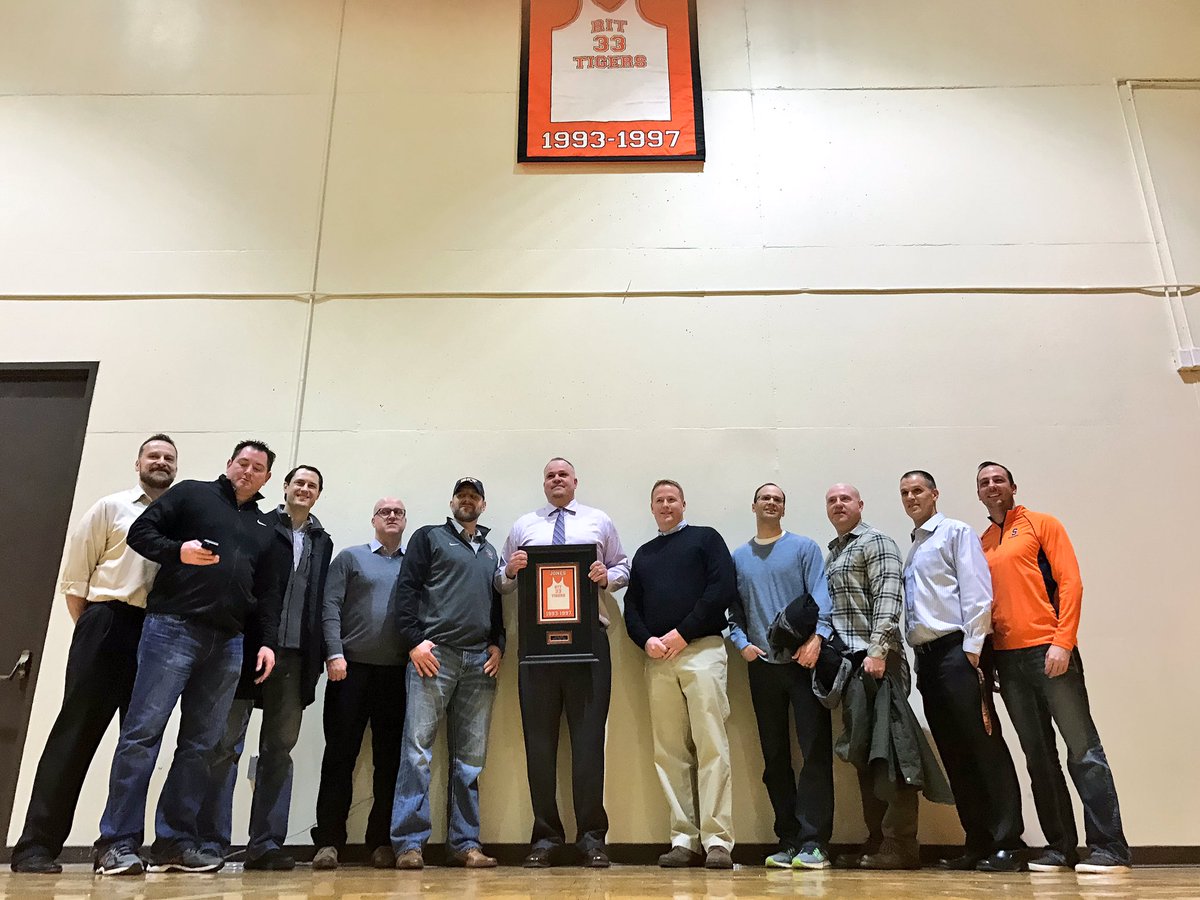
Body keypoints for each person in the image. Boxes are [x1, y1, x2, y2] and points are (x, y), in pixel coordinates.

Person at [92, 440, 280, 876]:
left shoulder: (265, 527)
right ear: (229, 465)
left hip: (229, 643)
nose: (247, 472)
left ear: (267, 479)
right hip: (171, 629)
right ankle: (116, 843)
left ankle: (175, 843)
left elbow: (269, 593)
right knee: (141, 735)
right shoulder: (193, 493)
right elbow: (141, 533)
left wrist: (266, 641)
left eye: (257, 468)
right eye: (242, 463)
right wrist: (179, 551)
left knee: (200, 746)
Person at [10, 435, 179, 874]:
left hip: (158, 633)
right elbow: (75, 581)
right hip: (105, 623)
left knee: (137, 744)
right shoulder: (110, 507)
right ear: (137, 462)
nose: (160, 462)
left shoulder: (181, 518)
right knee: (75, 735)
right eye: (153, 455)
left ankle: (118, 846)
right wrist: (95, 627)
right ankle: (36, 846)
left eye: (168, 457)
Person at [976, 461, 1131, 874]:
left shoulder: (1042, 524)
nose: (992, 487)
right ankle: (1060, 847)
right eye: (984, 483)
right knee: (1038, 757)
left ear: (1013, 486)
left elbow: (1071, 583)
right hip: (1008, 663)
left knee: (1083, 751)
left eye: (998, 480)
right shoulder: (984, 541)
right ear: (978, 494)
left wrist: (1062, 642)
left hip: (1050, 652)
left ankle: (1110, 848)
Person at [495, 457, 629, 868]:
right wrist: (512, 571)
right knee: (539, 744)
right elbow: (499, 580)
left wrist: (607, 575)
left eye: (563, 475)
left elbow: (624, 566)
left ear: (575, 482)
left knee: (589, 744)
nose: (557, 480)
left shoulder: (599, 521)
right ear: (544, 483)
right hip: (536, 650)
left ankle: (592, 838)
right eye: (550, 475)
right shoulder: (524, 526)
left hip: (590, 645)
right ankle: (546, 838)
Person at [200, 465, 333, 869]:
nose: (305, 489)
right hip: (247, 650)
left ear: (318, 494)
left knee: (279, 750)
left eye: (312, 486)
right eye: (299, 483)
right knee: (224, 746)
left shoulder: (322, 541)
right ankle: (210, 843)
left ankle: (266, 844)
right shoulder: (259, 525)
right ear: (285, 487)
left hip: (294, 658)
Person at [898, 470, 1025, 872]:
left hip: (958, 653)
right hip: (928, 659)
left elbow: (976, 590)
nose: (911, 497)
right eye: (904, 493)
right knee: (954, 752)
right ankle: (978, 841)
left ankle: (1010, 842)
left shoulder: (955, 532)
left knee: (983, 746)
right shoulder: (915, 546)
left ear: (934, 494)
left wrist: (972, 650)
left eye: (917, 490)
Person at [824, 482, 951, 871]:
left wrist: (878, 649)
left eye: (845, 498)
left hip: (877, 662)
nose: (838, 504)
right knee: (865, 754)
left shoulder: (875, 541)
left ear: (860, 505)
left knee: (892, 754)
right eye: (832, 501)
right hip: (852, 667)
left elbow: (888, 596)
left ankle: (901, 845)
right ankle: (876, 840)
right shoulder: (834, 553)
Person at [390, 478, 505, 870]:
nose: (468, 500)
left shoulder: (490, 551)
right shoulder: (429, 537)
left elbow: (494, 604)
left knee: (470, 759)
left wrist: (498, 643)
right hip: (434, 657)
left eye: (474, 496)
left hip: (479, 663)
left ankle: (465, 843)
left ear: (483, 505)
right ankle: (409, 844)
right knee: (417, 751)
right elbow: (405, 592)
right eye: (462, 495)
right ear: (452, 501)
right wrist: (414, 642)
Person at [624, 479, 736, 870]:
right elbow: (631, 609)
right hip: (658, 660)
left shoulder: (706, 539)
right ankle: (684, 839)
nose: (666, 505)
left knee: (711, 746)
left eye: (672, 499)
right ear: (651, 508)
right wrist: (648, 641)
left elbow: (721, 590)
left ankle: (718, 841)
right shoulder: (644, 554)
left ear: (684, 504)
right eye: (659, 500)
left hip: (701, 650)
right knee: (670, 752)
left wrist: (681, 633)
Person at [727, 482, 834, 870]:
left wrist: (817, 640)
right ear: (753, 505)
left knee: (814, 754)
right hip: (763, 671)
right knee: (774, 758)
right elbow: (732, 609)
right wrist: (741, 642)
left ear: (783, 509)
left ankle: (814, 842)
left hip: (805, 666)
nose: (771, 503)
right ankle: (787, 839)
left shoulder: (805, 549)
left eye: (778, 499)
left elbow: (822, 598)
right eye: (765, 498)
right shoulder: (738, 557)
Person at [311, 497, 409, 870]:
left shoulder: (412, 565)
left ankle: (381, 842)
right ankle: (329, 842)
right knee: (339, 756)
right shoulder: (351, 558)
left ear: (404, 522)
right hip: (348, 671)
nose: (392, 516)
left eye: (398, 512)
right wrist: (334, 653)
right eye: (385, 511)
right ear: (373, 520)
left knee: (390, 762)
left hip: (396, 675)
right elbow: (329, 607)